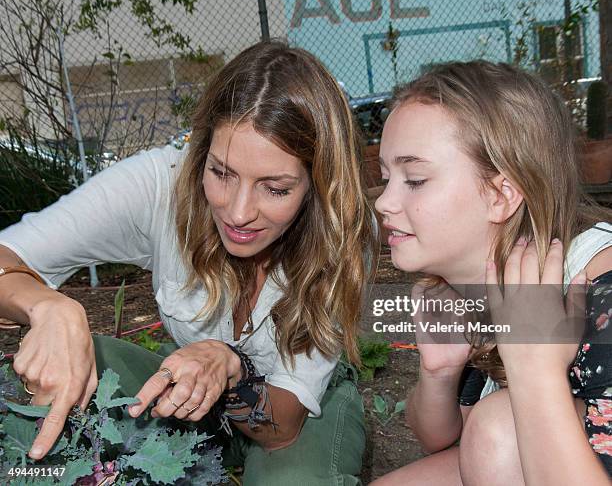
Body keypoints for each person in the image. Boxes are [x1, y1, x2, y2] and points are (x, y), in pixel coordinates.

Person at [0, 41, 378, 484]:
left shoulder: (344, 229)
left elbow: (280, 427)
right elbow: (10, 255)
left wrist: (231, 370)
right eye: (221, 172)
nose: (237, 213)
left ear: (318, 184)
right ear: (202, 151)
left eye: (275, 189)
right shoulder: (160, 184)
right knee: (73, 361)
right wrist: (48, 307)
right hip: (187, 385)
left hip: (287, 412)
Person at [370, 60, 612, 485]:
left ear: (501, 195)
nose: (383, 202)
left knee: (500, 431)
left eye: (415, 179)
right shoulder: (484, 280)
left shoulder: (599, 288)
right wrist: (439, 373)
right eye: (387, 177)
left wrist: (534, 366)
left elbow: (491, 444)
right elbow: (443, 441)